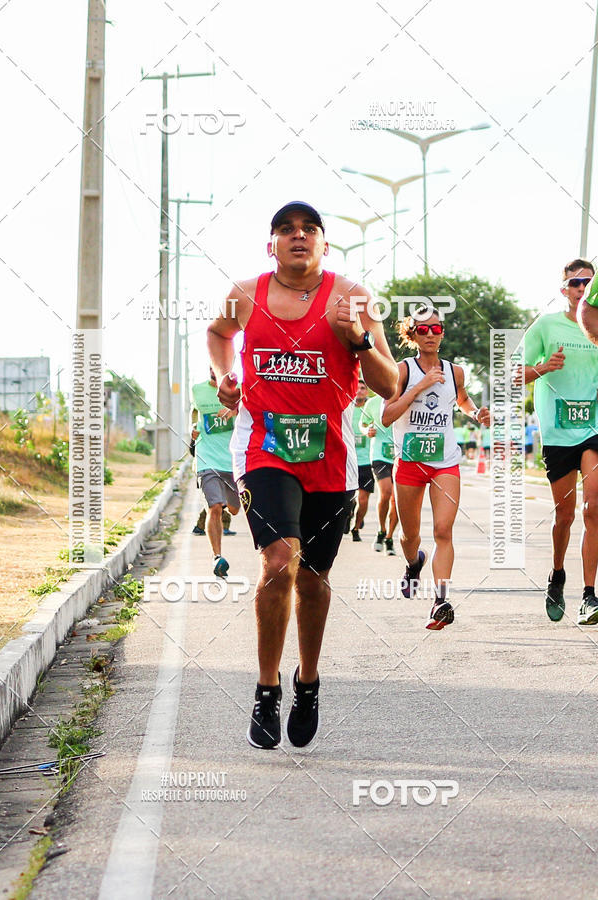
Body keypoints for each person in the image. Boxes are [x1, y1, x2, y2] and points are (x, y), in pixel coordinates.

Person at [207, 201, 397, 749]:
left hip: (332, 459)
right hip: (265, 450)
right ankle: (267, 688)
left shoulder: (353, 297)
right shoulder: (244, 295)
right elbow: (218, 334)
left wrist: (359, 339)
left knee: (312, 578)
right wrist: (225, 376)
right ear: (272, 244)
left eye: (309, 230)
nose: (298, 237)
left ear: (324, 244)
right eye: (286, 230)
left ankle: (306, 681)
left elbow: (387, 386)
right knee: (279, 561)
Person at [382, 306, 490, 630]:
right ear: (412, 334)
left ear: (443, 333)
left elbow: (463, 398)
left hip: (445, 461)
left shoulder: (455, 371)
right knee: (409, 535)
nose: (431, 334)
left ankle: (440, 600)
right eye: (424, 329)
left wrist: (474, 414)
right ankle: (413, 564)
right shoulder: (401, 371)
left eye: (437, 329)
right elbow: (387, 416)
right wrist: (420, 386)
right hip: (410, 462)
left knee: (443, 530)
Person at [524, 258, 598, 625]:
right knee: (565, 516)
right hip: (557, 431)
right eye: (575, 283)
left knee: (594, 508)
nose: (582, 288)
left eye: (588, 282)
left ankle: (590, 594)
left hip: (594, 428)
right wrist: (543, 368)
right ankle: (557, 575)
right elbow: (512, 374)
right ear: (563, 289)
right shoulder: (546, 325)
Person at [191, 369, 240, 577]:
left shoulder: (239, 390)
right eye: (211, 367)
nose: (214, 371)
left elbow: (251, 412)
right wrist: (192, 431)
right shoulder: (197, 390)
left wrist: (235, 412)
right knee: (214, 508)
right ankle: (217, 557)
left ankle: (226, 502)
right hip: (206, 457)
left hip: (232, 459)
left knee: (235, 509)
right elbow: (193, 415)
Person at [359, 392, 399, 554]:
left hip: (400, 454)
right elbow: (363, 424)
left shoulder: (405, 399)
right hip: (379, 455)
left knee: (397, 500)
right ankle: (381, 529)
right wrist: (366, 430)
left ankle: (389, 537)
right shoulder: (373, 403)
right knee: (386, 492)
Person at [350, 377, 374, 541]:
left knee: (363, 499)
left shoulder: (371, 408)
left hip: (367, 461)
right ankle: (347, 514)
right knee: (347, 499)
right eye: (357, 388)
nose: (359, 391)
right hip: (348, 461)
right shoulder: (346, 407)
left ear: (367, 391)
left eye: (363, 388)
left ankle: (356, 527)